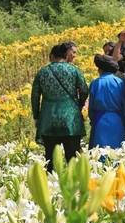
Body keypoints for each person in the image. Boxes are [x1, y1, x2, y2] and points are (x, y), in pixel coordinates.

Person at [31, 42, 88, 171]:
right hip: (71, 118)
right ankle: (74, 184)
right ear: (64, 55)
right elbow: (84, 90)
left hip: (48, 118)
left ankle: (50, 185)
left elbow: (35, 96)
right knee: (72, 157)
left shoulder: (42, 72)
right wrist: (78, 104)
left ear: (52, 56)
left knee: (50, 158)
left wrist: (36, 116)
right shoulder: (74, 70)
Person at [88, 54, 125, 149]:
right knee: (117, 152)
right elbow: (124, 105)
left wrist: (92, 119)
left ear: (100, 69)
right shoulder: (120, 82)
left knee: (99, 151)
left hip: (99, 120)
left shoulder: (95, 83)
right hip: (117, 120)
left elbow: (91, 107)